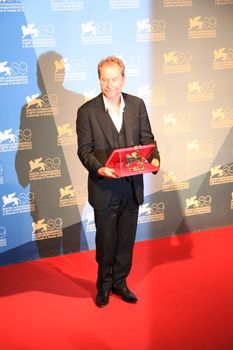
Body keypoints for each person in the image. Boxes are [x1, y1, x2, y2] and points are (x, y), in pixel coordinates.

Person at [76, 56, 160, 307]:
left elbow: (148, 140)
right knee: (106, 241)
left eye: (114, 78)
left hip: (131, 187)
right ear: (99, 79)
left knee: (126, 240)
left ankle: (120, 283)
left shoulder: (137, 105)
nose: (110, 84)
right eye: (105, 79)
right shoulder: (87, 111)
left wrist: (155, 159)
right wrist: (100, 169)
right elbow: (84, 151)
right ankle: (103, 285)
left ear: (123, 78)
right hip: (104, 188)